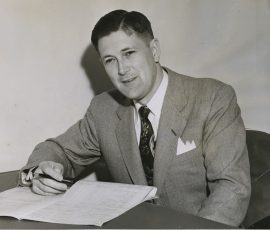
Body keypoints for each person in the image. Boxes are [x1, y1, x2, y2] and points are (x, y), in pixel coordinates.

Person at [20, 9, 251, 226]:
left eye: (129, 53)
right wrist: (41, 170)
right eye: (110, 60)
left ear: (154, 50)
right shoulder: (103, 110)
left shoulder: (212, 98)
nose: (122, 69)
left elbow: (232, 189)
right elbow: (58, 150)